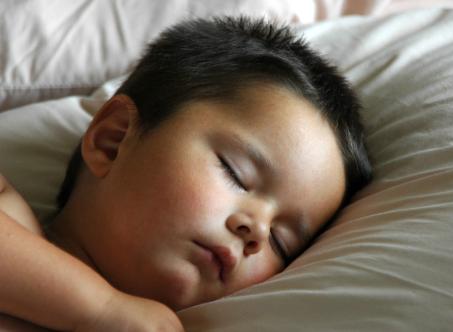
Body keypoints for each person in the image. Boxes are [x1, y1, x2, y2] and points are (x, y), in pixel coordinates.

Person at [0, 16, 372, 331]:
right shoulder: (10, 213)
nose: (257, 230)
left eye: (281, 243)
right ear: (112, 141)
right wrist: (102, 309)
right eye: (235, 173)